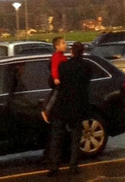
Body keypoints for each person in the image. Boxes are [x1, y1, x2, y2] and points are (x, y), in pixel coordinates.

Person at [45, 42, 97, 174]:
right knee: (75, 137)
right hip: (78, 105)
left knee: (57, 136)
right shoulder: (87, 67)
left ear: (72, 52)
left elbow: (53, 82)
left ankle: (54, 166)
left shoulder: (64, 66)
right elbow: (87, 82)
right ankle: (73, 166)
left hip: (62, 105)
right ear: (83, 52)